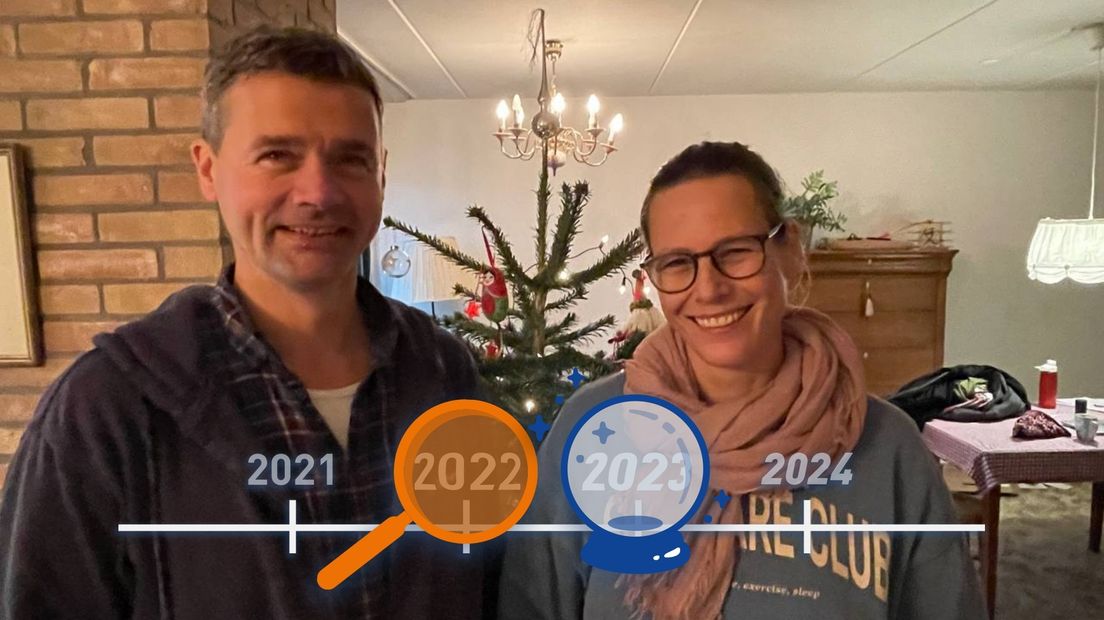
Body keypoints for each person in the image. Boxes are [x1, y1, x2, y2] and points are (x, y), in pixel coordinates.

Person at [0, 27, 497, 619]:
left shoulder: (444, 374)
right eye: (277, 155)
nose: (318, 192)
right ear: (207, 169)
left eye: (350, 159)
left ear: (381, 175)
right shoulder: (107, 408)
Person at [499, 141, 985, 620]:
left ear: (789, 249)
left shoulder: (888, 447)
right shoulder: (591, 427)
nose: (709, 289)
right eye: (677, 263)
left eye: (734, 252)